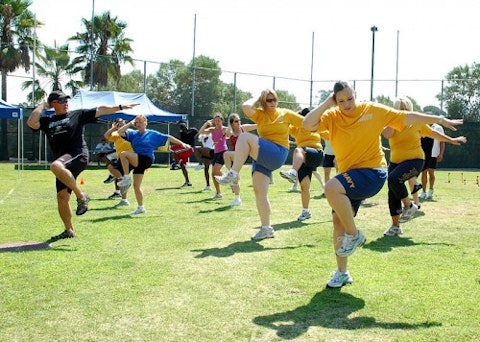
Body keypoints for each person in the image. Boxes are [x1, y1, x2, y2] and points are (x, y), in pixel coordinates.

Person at [302, 81, 463, 288]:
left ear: (356, 94)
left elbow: (408, 117)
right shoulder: (332, 116)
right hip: (349, 177)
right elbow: (307, 125)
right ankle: (342, 273)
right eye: (341, 101)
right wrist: (327, 103)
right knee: (338, 221)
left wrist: (439, 118)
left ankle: (355, 235)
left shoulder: (372, 110)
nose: (347, 104)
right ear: (335, 100)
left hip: (372, 172)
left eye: (350, 98)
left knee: (331, 187)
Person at [26, 90, 139, 241]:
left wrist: (119, 107)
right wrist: (42, 105)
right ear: (53, 104)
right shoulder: (48, 121)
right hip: (63, 162)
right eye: (61, 101)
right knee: (61, 197)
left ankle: (82, 196)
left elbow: (100, 110)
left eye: (67, 100)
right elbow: (31, 122)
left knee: (55, 166)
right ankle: (69, 230)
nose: (66, 103)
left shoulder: (77, 115)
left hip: (78, 154)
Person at [215, 89, 304, 240]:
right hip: (263, 156)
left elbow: (307, 122)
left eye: (274, 99)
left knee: (243, 137)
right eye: (268, 100)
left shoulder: (285, 113)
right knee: (259, 193)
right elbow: (245, 107)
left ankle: (233, 174)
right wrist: (258, 96)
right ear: (263, 102)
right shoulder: (259, 114)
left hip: (278, 152)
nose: (272, 103)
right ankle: (266, 228)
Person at [382, 97, 467, 237]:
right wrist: (396, 119)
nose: (403, 112)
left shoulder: (416, 123)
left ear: (410, 110)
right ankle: (395, 226)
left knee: (393, 179)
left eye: (405, 109)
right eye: (400, 109)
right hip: (396, 162)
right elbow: (387, 133)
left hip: (415, 161)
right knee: (392, 192)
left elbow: (433, 133)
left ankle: (409, 206)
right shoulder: (391, 124)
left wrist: (451, 140)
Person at [116, 115, 190, 214]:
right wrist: (130, 123)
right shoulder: (133, 134)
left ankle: (126, 177)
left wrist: (182, 143)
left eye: (140, 122)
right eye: (136, 122)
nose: (138, 124)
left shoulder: (152, 134)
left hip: (146, 159)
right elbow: (120, 132)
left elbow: (168, 137)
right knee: (136, 186)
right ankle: (141, 208)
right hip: (138, 159)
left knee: (123, 154)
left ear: (146, 123)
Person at [279, 108, 325, 221]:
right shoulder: (296, 128)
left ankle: (293, 172)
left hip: (316, 154)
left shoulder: (315, 125)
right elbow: (285, 125)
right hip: (304, 159)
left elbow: (329, 133)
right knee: (304, 187)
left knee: (298, 150)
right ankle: (306, 211)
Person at [223, 113, 257, 206]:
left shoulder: (243, 128)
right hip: (236, 156)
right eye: (236, 121)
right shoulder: (230, 131)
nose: (239, 123)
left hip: (244, 155)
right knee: (235, 178)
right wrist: (229, 124)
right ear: (231, 123)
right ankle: (237, 199)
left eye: (239, 120)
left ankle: (229, 174)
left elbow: (256, 126)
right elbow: (228, 132)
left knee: (226, 154)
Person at [198, 113, 229, 200]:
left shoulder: (224, 129)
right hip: (216, 152)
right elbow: (200, 132)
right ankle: (218, 193)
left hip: (223, 152)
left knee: (216, 170)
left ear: (222, 121)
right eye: (215, 121)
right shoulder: (212, 129)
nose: (217, 122)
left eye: (219, 120)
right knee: (213, 174)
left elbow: (232, 132)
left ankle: (229, 180)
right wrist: (206, 123)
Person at [104, 118, 134, 207]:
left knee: (113, 169)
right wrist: (113, 128)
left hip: (131, 157)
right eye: (117, 124)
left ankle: (123, 179)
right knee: (121, 178)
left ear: (125, 123)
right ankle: (124, 200)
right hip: (121, 159)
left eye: (121, 123)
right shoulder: (116, 134)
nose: (120, 125)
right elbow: (106, 136)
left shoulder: (130, 132)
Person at [419, 120, 446, 199]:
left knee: (431, 173)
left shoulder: (438, 128)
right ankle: (423, 192)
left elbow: (442, 141)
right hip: (423, 154)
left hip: (434, 154)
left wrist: (441, 153)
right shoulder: (422, 126)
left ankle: (430, 189)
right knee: (423, 173)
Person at [174, 122, 198, 187]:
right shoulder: (182, 133)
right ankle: (187, 182)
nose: (182, 128)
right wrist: (180, 132)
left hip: (189, 148)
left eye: (182, 127)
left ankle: (177, 163)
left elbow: (198, 136)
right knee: (183, 165)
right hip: (185, 151)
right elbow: (177, 138)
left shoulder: (192, 130)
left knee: (173, 150)